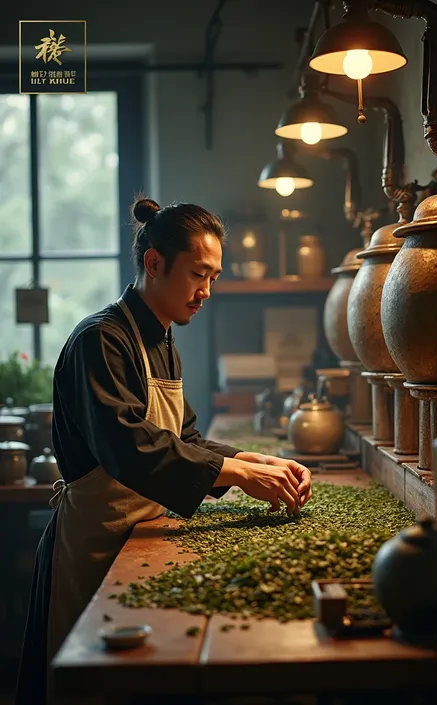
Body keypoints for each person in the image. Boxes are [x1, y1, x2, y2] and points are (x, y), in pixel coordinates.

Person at [16, 198, 312, 705]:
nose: (207, 291)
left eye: (214, 277)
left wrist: (254, 462)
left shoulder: (163, 341)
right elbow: (128, 447)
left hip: (139, 537)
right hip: (94, 546)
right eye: (199, 273)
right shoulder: (101, 340)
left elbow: (185, 441)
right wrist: (236, 475)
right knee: (87, 685)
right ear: (154, 263)